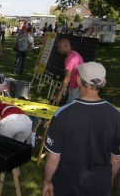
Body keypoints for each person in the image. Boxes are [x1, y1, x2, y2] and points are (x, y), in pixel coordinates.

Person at [43, 62, 120, 196]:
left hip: (66, 186)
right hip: (100, 187)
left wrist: (47, 182)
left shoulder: (62, 114)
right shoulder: (116, 116)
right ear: (104, 83)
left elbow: (53, 157)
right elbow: (116, 159)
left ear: (78, 80)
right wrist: (110, 179)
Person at [0, 97, 32, 179]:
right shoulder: (9, 106)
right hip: (27, 122)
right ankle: (16, 169)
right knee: (17, 148)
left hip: (10, 121)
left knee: (0, 147)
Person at [53, 38, 84, 105]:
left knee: (72, 107)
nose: (58, 49)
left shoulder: (69, 59)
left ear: (66, 46)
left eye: (60, 47)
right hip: (80, 86)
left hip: (75, 87)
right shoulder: (76, 54)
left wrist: (59, 94)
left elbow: (67, 79)